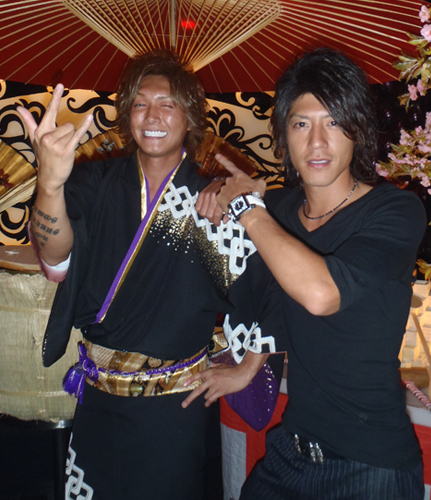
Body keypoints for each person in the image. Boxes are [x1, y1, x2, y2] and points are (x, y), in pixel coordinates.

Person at [17, 50, 282, 500]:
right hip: (98, 398)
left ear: (190, 117)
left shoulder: (210, 202)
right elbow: (55, 255)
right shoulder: (94, 182)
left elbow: (268, 286)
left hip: (172, 407)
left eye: (168, 104)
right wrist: (50, 182)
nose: (152, 116)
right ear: (127, 115)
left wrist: (246, 368)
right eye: (140, 104)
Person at [195, 48, 427, 499]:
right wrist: (249, 365)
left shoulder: (395, 210)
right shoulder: (281, 210)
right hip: (291, 451)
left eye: (334, 122)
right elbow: (275, 292)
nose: (317, 142)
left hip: (371, 465)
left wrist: (247, 207)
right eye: (301, 124)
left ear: (359, 131)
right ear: (283, 137)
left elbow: (320, 294)